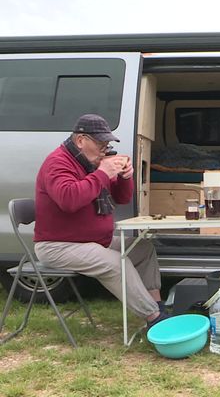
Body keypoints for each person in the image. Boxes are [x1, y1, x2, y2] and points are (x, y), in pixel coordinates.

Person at [33, 114, 169, 329]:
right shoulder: (57, 163)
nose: (105, 148)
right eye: (100, 143)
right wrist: (103, 172)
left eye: (107, 143)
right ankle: (154, 319)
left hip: (92, 241)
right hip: (57, 245)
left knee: (143, 249)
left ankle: (157, 306)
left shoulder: (90, 163)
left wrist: (125, 177)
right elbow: (69, 200)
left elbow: (122, 198)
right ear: (80, 140)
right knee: (116, 262)